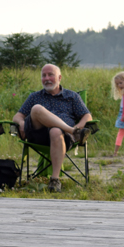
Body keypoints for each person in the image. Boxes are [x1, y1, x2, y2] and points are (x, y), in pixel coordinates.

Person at [12, 64, 92, 193]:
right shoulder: (35, 97)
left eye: (51, 75)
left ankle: (55, 180)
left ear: (59, 77)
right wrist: (21, 123)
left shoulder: (72, 97)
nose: (47, 78)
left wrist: (78, 126)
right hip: (39, 136)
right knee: (36, 108)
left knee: (55, 131)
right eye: (44, 75)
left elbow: (87, 116)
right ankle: (72, 131)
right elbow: (17, 116)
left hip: (62, 139)